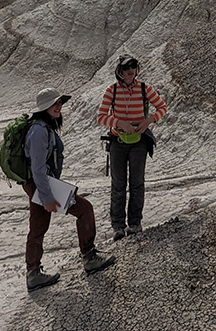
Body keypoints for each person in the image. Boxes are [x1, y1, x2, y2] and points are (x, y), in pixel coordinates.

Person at [23, 87, 115, 291]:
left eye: (60, 103)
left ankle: (33, 273)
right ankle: (89, 257)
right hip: (41, 184)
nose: (58, 106)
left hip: (39, 184)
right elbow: (38, 169)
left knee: (38, 227)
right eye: (54, 103)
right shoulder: (39, 131)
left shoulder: (42, 126)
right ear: (43, 108)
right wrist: (47, 197)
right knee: (84, 209)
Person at [96, 55, 169, 241]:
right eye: (126, 67)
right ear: (119, 71)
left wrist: (149, 120)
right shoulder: (111, 91)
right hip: (118, 141)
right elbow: (101, 116)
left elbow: (162, 108)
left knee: (137, 183)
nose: (130, 70)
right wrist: (119, 122)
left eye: (133, 66)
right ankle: (118, 226)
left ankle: (135, 223)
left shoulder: (145, 89)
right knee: (118, 185)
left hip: (139, 141)